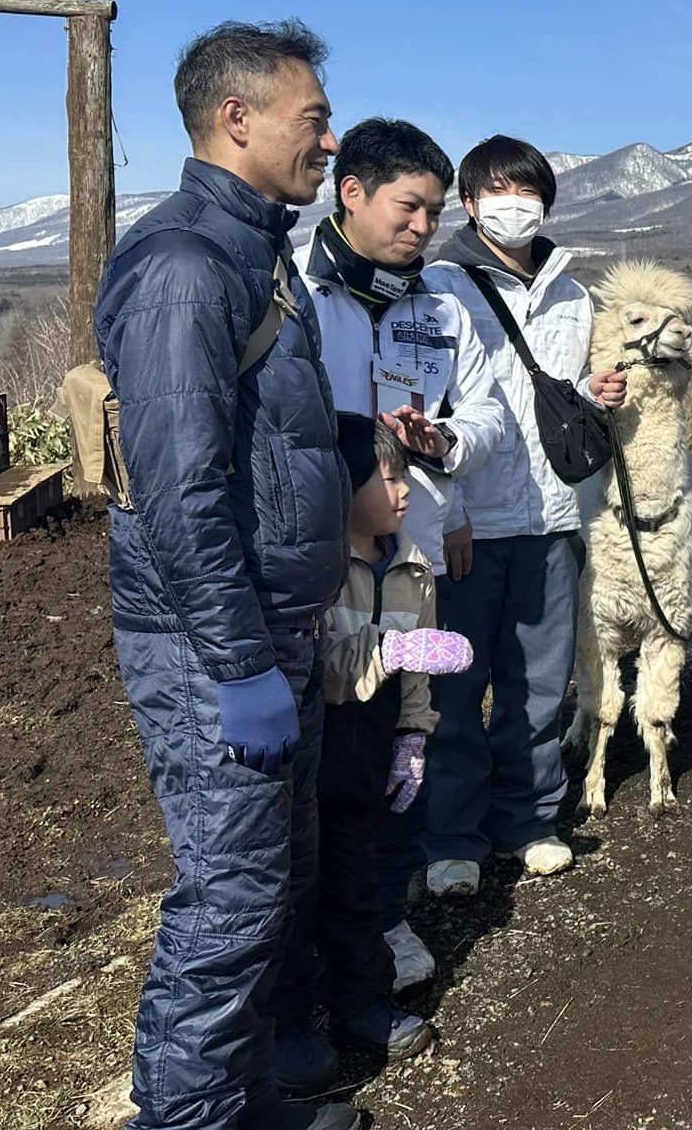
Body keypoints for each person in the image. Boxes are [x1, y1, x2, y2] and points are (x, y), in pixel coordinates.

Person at [95, 20, 363, 1130]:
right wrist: (241, 663)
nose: (330, 141)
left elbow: (267, 450)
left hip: (271, 628)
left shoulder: (256, 249)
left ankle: (246, 1101)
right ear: (237, 118)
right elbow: (179, 492)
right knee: (229, 905)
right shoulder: (183, 267)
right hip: (215, 647)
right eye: (315, 120)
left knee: (270, 890)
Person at [291, 117, 506, 1024]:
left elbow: (487, 412)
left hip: (411, 564)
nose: (424, 229)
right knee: (334, 751)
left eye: (435, 212)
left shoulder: (441, 308)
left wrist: (445, 445)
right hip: (323, 567)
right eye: (408, 208)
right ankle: (327, 936)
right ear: (352, 194)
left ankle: (387, 912)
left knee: (405, 733)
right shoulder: (297, 295)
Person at [418, 136, 627, 895]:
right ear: (470, 203)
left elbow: (559, 394)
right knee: (452, 690)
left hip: (553, 518)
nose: (516, 206)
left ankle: (528, 820)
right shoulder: (437, 289)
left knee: (538, 686)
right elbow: (430, 411)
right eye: (499, 192)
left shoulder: (572, 295)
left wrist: (594, 393)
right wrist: (448, 513)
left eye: (529, 192)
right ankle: (451, 837)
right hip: (469, 525)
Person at [295, 418, 473, 1079]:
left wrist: (413, 735)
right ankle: (297, 1008)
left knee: (358, 879)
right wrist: (390, 648)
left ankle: (363, 1005)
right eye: (390, 479)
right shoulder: (318, 572)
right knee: (304, 887)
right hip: (318, 749)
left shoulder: (412, 568)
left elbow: (419, 674)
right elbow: (319, 669)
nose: (404, 493)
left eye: (406, 478)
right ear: (344, 488)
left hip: (371, 748)